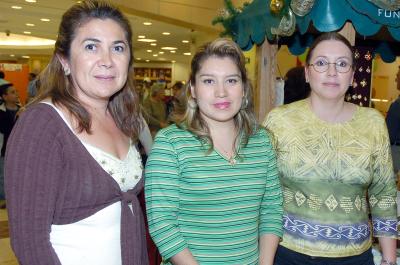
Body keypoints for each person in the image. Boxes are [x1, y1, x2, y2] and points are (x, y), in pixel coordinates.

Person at [4, 1, 148, 264]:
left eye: (118, 48)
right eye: (91, 46)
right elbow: (29, 241)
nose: (107, 61)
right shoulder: (42, 124)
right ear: (64, 60)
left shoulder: (120, 118)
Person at [145, 38, 283, 265]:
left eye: (231, 80)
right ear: (193, 90)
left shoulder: (262, 142)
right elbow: (163, 224)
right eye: (209, 81)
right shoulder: (171, 144)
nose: (221, 92)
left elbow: (271, 211)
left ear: (244, 89)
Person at [264, 32, 398, 265]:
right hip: (287, 253)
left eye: (342, 64)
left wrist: (389, 259)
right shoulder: (279, 121)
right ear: (307, 72)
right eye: (322, 63)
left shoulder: (373, 123)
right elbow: (263, 193)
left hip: (354, 257)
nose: (332, 72)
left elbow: (383, 195)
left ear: (353, 77)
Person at [0, 83, 20, 209]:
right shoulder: (1, 112)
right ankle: (5, 200)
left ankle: (16, 199)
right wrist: (18, 119)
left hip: (20, 150)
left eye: (16, 91)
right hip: (5, 149)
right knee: (3, 176)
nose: (16, 94)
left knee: (18, 175)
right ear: (4, 96)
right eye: (12, 92)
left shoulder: (23, 109)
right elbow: (6, 129)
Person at [386, 66, 400, 175]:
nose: (396, 79)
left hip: (396, 151)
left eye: (398, 76)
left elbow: (389, 134)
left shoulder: (398, 105)